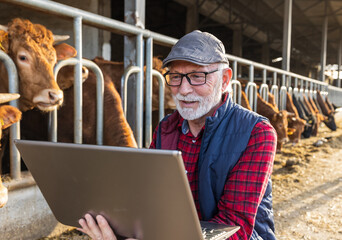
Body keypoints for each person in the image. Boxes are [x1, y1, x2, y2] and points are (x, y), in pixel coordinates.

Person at [78, 30, 277, 240]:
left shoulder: (256, 133)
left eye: (197, 77)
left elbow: (234, 228)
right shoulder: (166, 127)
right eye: (175, 77)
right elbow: (149, 196)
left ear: (225, 79)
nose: (183, 90)